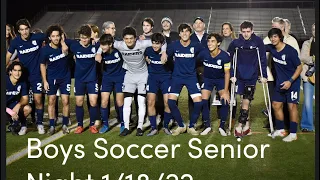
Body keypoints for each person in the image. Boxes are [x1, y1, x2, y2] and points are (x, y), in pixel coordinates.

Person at [96, 26, 167, 136]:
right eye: (126, 38)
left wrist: (163, 52)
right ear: (123, 39)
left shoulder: (142, 43)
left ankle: (139, 127)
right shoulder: (119, 45)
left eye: (131, 38)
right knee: (127, 102)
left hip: (143, 75)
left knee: (141, 101)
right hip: (129, 75)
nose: (129, 41)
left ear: (136, 38)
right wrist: (99, 52)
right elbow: (104, 44)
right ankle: (126, 127)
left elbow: (162, 41)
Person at [6, 19, 47, 134]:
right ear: (18, 31)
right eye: (22, 30)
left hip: (36, 75)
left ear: (29, 28)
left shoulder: (38, 37)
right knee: (24, 102)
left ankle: (39, 123)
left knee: (38, 100)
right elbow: (8, 56)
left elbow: (53, 35)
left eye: (26, 29)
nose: (24, 32)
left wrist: (63, 45)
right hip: (22, 77)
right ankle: (23, 125)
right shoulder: (15, 42)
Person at [228, 21, 268, 138]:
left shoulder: (258, 42)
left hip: (252, 76)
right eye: (244, 32)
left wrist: (263, 75)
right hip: (239, 76)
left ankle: (240, 125)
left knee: (246, 101)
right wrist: (231, 74)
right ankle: (247, 126)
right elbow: (229, 58)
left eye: (248, 31)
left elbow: (262, 59)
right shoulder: (235, 43)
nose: (246, 34)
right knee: (243, 102)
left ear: (252, 31)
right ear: (240, 31)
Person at [166, 23, 204, 136]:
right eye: (182, 31)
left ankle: (191, 126)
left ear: (190, 33)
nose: (184, 33)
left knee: (198, 102)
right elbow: (167, 55)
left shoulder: (196, 45)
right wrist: (164, 55)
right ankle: (181, 125)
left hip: (191, 77)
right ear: (179, 34)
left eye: (187, 31)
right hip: (177, 77)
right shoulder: (174, 45)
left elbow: (205, 53)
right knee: (171, 102)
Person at [262, 17, 300, 129]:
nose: (273, 38)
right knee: (275, 103)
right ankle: (277, 126)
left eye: (275, 27)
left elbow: (298, 65)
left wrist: (291, 80)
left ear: (282, 27)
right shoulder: (269, 43)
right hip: (274, 77)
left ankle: (291, 130)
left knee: (291, 105)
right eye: (272, 27)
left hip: (290, 78)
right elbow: (260, 49)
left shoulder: (291, 43)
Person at [40, 24, 70, 135]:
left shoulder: (66, 46)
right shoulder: (45, 50)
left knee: (65, 101)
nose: (56, 38)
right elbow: (42, 65)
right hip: (51, 78)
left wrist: (63, 43)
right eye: (53, 36)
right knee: (51, 101)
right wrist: (45, 81)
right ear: (49, 37)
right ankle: (52, 125)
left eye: (57, 36)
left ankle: (65, 125)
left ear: (61, 36)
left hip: (65, 78)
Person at [198, 33, 231, 136]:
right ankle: (207, 126)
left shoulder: (225, 56)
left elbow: (227, 73)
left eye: (212, 41)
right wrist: (200, 73)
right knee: (203, 100)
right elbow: (197, 63)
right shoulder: (204, 53)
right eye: (208, 41)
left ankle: (222, 126)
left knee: (225, 100)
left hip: (220, 79)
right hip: (208, 79)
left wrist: (225, 91)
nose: (209, 43)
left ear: (218, 43)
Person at [70, 25, 100, 134]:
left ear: (90, 37)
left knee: (93, 102)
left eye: (86, 37)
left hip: (92, 79)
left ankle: (92, 125)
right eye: (82, 37)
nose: (84, 39)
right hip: (79, 80)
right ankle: (80, 125)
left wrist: (96, 40)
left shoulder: (96, 46)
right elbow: (62, 39)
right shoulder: (74, 46)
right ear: (79, 37)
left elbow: (108, 41)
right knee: (79, 102)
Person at [96, 34, 126, 134]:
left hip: (119, 78)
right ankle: (105, 124)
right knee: (104, 101)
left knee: (119, 102)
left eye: (105, 45)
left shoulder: (118, 51)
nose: (103, 47)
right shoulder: (101, 52)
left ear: (110, 44)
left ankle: (123, 124)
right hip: (107, 79)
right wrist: (98, 52)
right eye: (101, 45)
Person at [145, 33, 173, 136]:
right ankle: (153, 128)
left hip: (166, 78)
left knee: (167, 102)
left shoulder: (167, 52)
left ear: (162, 44)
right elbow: (145, 58)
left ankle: (166, 126)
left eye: (157, 43)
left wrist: (165, 53)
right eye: (153, 43)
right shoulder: (148, 50)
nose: (155, 46)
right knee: (150, 102)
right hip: (153, 78)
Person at [215, 22, 237, 131]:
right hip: (220, 73)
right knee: (221, 95)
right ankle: (221, 117)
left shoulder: (235, 42)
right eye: (223, 29)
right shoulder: (219, 42)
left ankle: (232, 118)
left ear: (231, 30)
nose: (225, 30)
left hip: (231, 73)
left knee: (232, 96)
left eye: (227, 28)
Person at [189, 17, 209, 126]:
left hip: (207, 70)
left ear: (204, 25)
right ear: (193, 26)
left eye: (200, 23)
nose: (198, 25)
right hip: (193, 70)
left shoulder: (209, 37)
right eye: (196, 23)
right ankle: (194, 120)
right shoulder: (190, 38)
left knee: (206, 95)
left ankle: (205, 120)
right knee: (192, 95)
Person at [6, 61, 32, 135]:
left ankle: (16, 124)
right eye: (15, 70)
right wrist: (10, 112)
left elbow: (25, 99)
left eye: (19, 70)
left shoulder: (22, 82)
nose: (17, 73)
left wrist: (18, 105)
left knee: (28, 108)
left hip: (12, 105)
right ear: (10, 72)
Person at [300, 23, 315, 132]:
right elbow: (303, 57)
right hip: (308, 74)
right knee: (308, 102)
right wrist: (313, 59)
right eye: (313, 29)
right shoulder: (307, 43)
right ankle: (307, 125)